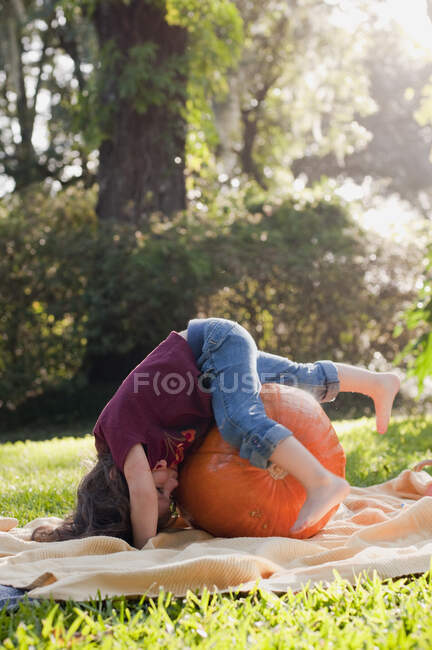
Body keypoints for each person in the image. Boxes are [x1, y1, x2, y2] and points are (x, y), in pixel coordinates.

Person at [32, 318, 400, 547]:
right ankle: (378, 383)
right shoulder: (152, 453)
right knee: (300, 377)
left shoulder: (118, 435)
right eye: (169, 495)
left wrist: (144, 548)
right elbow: (150, 491)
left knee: (239, 421)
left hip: (212, 347)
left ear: (120, 480)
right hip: (216, 363)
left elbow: (142, 494)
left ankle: (320, 481)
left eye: (161, 488)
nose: (171, 486)